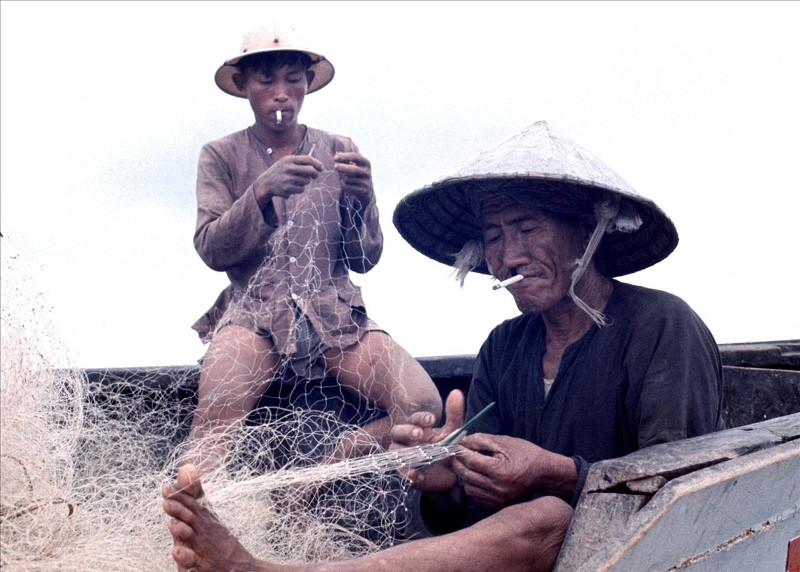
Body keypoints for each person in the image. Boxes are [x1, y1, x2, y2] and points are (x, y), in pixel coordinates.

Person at [163, 121, 725, 571]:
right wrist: (444, 485)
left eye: (527, 230)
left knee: (548, 515)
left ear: (587, 229)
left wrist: (557, 474)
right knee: (532, 515)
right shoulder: (505, 346)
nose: (507, 258)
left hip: (636, 557)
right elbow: (470, 523)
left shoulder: (661, 325)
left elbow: (683, 496)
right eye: (496, 239)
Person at [183, 24, 442, 474]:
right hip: (253, 315)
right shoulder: (220, 155)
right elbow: (211, 249)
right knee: (216, 417)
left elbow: (365, 258)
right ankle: (194, 527)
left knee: (421, 402)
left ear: (307, 83)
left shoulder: (339, 148)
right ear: (244, 85)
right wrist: (261, 192)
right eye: (266, 81)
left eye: (293, 79)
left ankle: (327, 467)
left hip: (334, 316)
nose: (281, 93)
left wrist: (364, 196)